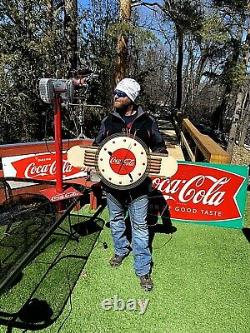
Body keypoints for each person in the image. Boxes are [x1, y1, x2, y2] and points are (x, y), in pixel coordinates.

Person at [94, 78, 167, 291]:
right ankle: (120, 250)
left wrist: (159, 166)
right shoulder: (108, 121)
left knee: (141, 226)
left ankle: (143, 269)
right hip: (112, 185)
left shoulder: (147, 121)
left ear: (131, 98)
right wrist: (91, 164)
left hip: (139, 186)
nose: (115, 97)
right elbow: (96, 147)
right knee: (116, 219)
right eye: (115, 93)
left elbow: (160, 147)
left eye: (120, 94)